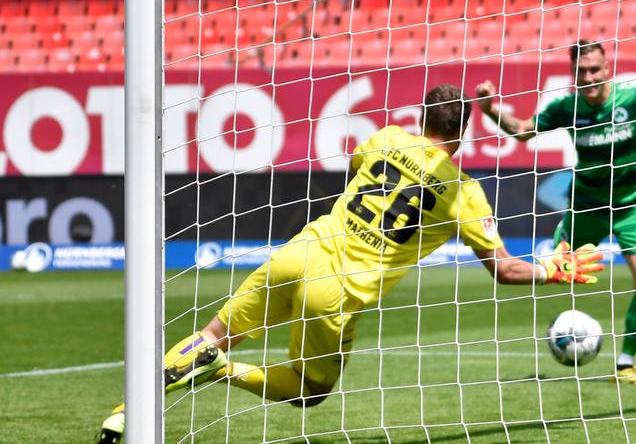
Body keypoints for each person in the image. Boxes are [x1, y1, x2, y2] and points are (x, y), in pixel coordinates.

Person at [97, 84, 606, 443]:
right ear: (464, 129)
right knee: (310, 391)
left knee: (210, 333)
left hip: (298, 252)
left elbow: (362, 168)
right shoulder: (464, 191)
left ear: (420, 117)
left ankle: (125, 415)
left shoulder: (384, 137)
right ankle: (224, 373)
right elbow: (504, 269)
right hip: (336, 288)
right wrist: (554, 268)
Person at [476, 40, 636, 387]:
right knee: (557, 271)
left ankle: (625, 364)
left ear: (607, 68)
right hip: (585, 208)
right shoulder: (565, 107)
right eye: (581, 71)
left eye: (594, 69)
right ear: (574, 75)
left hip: (632, 205)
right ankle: (561, 333)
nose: (589, 76)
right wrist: (490, 109)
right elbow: (523, 132)